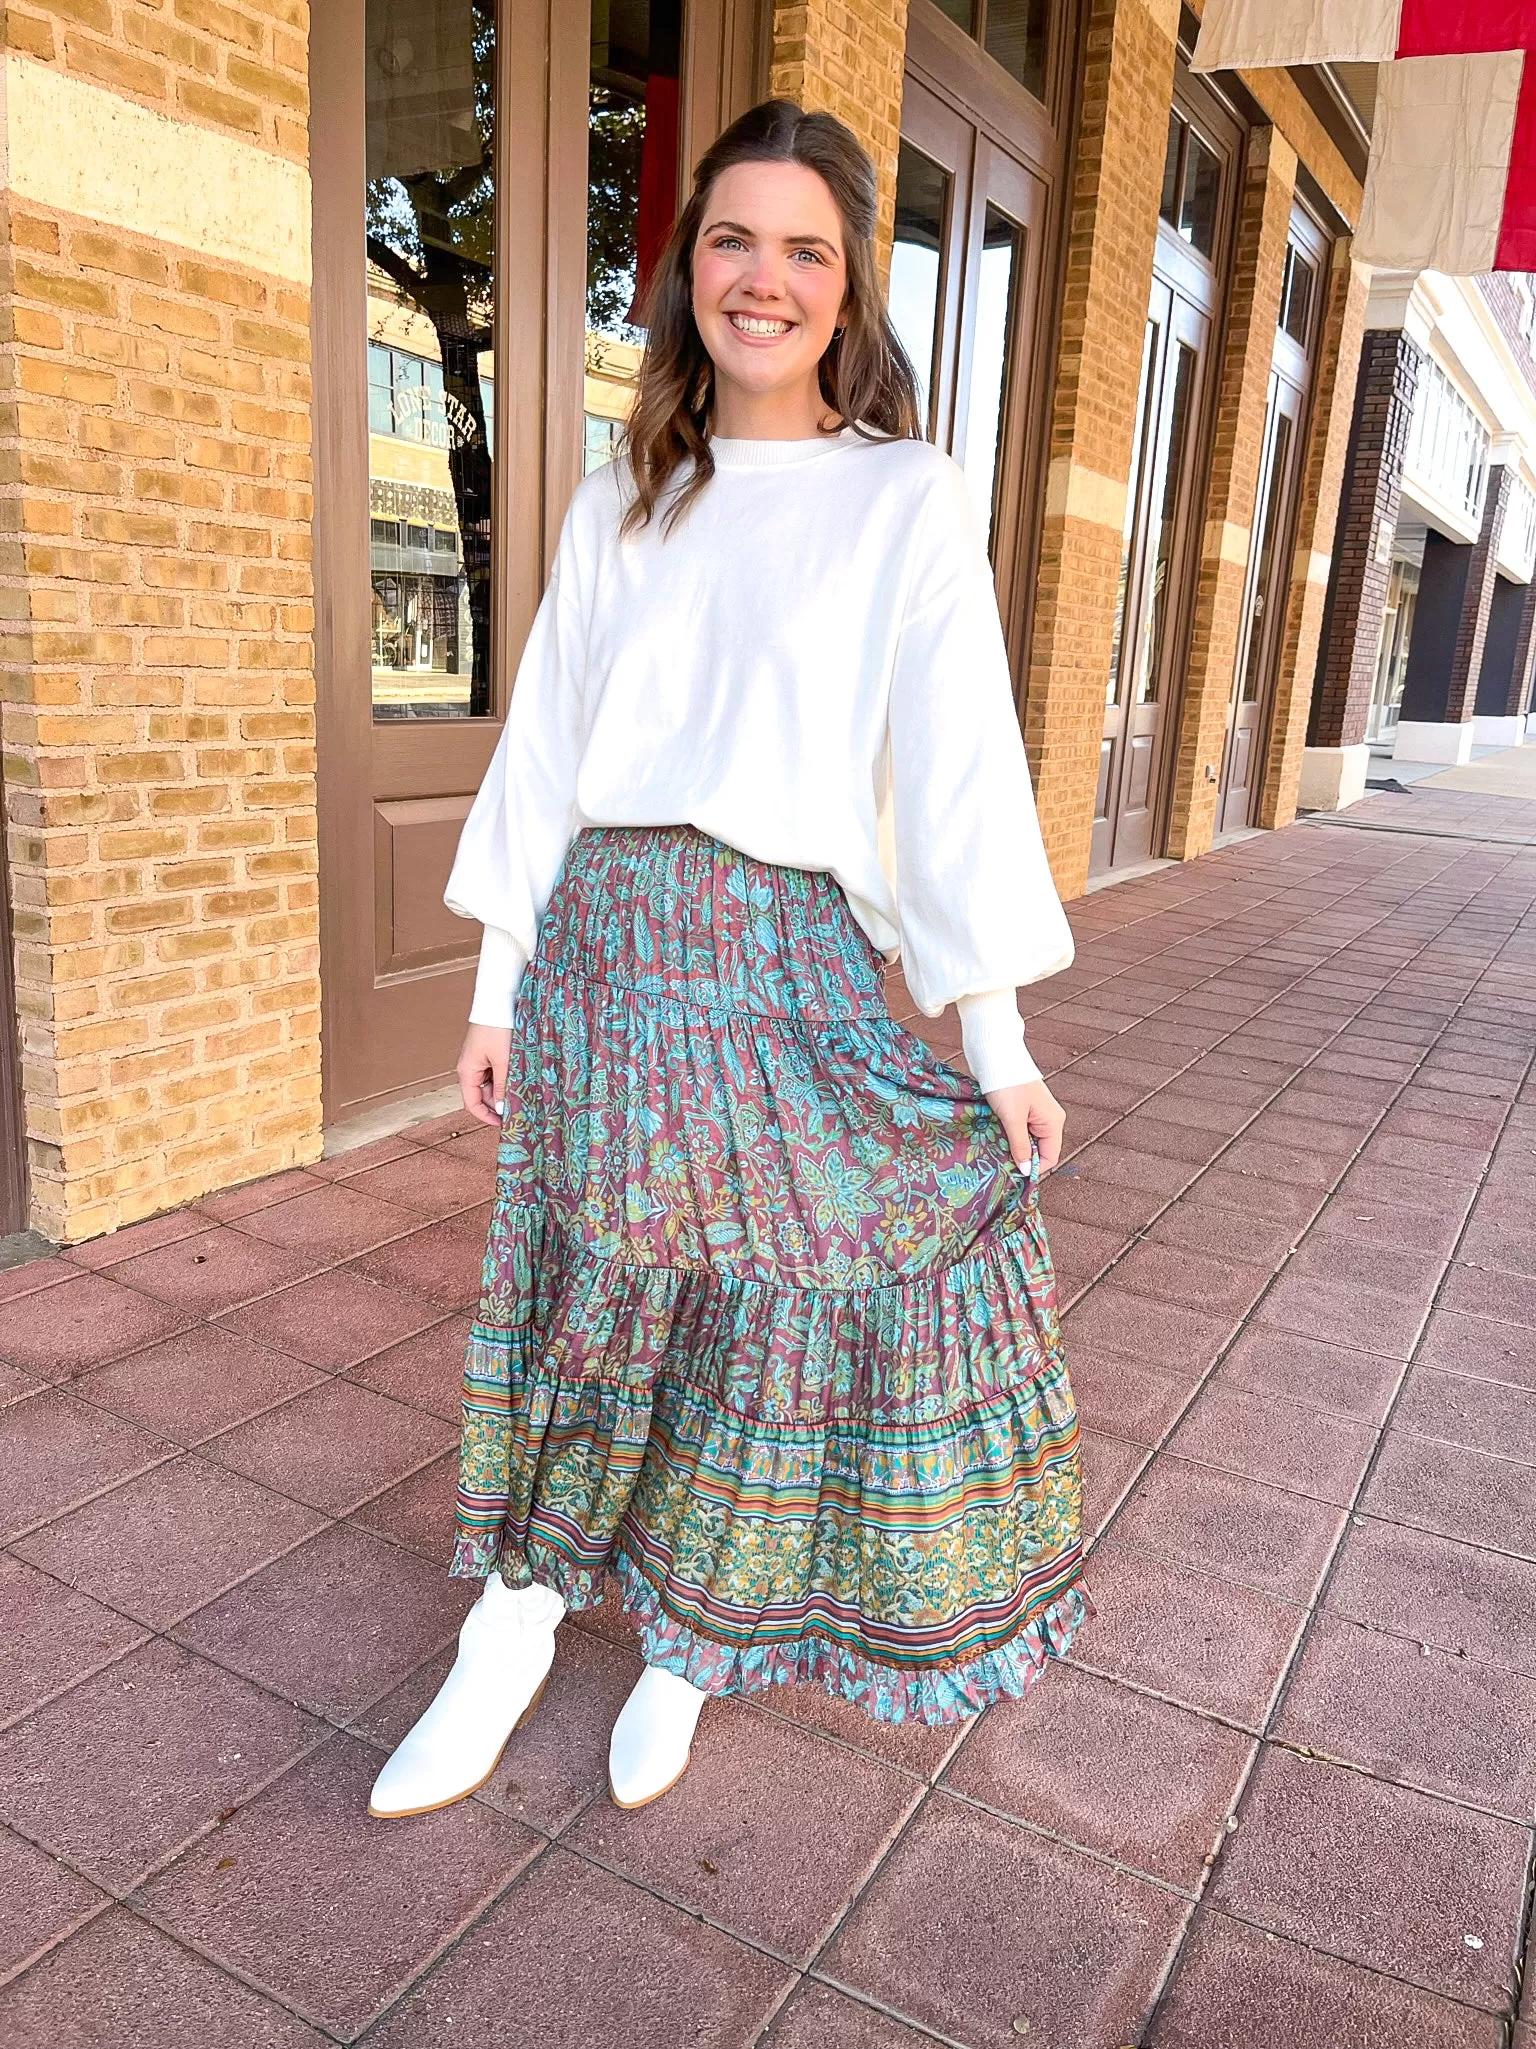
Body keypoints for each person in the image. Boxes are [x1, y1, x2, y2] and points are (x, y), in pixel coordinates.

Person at [368, 97, 1087, 1821]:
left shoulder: (902, 499)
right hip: (607, 962)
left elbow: (955, 762)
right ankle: (513, 1627)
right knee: (591, 1299)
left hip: (785, 970)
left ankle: (691, 1639)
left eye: (805, 250)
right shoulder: (625, 494)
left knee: (762, 1308)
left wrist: (995, 1040)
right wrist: (491, 984)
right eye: (729, 242)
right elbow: (544, 737)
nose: (761, 280)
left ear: (850, 289)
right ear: (688, 270)